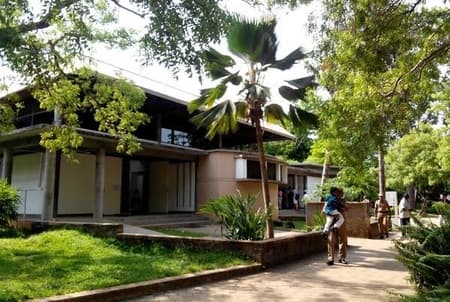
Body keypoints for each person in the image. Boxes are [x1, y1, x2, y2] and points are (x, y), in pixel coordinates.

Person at [326, 187, 348, 265]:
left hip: (341, 220)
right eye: (339, 192)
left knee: (342, 239)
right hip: (332, 220)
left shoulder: (342, 200)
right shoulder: (330, 199)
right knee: (331, 239)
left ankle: (342, 258)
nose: (341, 194)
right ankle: (330, 258)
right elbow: (324, 208)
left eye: (341, 192)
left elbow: (346, 208)